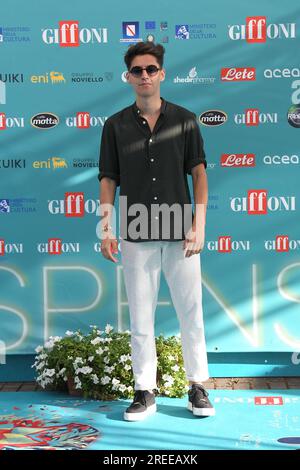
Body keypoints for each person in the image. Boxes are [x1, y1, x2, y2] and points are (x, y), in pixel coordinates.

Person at [98, 41, 215, 421]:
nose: (144, 76)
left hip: (181, 230)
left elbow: (198, 174)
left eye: (151, 69)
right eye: (137, 70)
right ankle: (144, 391)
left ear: (162, 74)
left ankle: (198, 387)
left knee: (191, 313)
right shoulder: (114, 126)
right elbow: (108, 178)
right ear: (128, 77)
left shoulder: (185, 119)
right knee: (140, 320)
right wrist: (106, 226)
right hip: (134, 231)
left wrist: (199, 225)